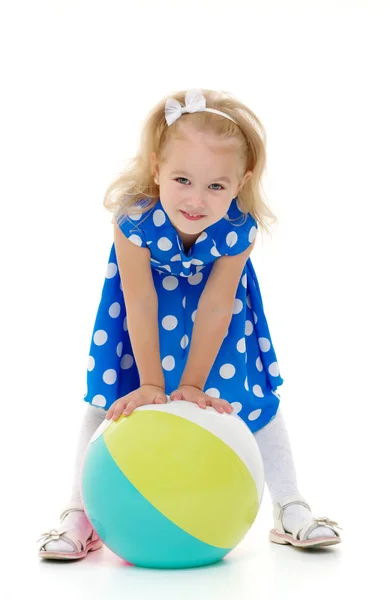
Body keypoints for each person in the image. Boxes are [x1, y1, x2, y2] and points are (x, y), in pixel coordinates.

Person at [37, 88, 342, 560]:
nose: (197, 200)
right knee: (107, 403)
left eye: (216, 186)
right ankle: (78, 513)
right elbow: (138, 299)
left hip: (214, 327)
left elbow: (220, 305)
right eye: (182, 179)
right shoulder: (134, 220)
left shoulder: (238, 228)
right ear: (157, 168)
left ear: (240, 183)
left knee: (252, 400)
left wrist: (195, 384)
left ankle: (290, 505)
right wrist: (152, 381)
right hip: (143, 326)